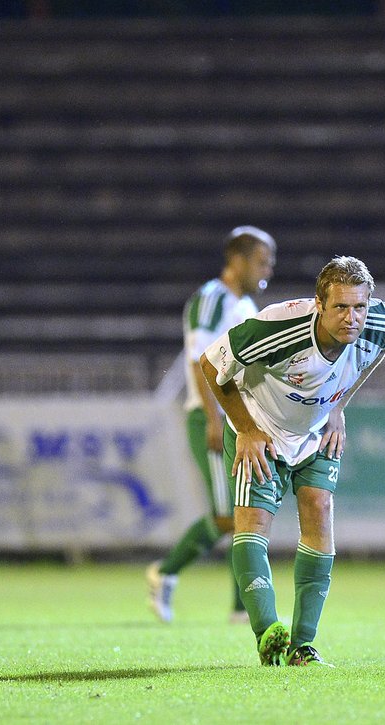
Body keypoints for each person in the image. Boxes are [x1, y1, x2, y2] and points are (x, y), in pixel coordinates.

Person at [199, 255, 385, 666]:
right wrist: (247, 430)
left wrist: (339, 407)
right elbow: (210, 364)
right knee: (253, 524)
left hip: (314, 432)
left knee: (319, 509)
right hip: (260, 428)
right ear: (319, 304)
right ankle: (267, 631)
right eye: (341, 307)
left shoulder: (383, 326)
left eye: (359, 306)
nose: (352, 318)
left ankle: (303, 645)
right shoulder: (278, 329)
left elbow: (366, 363)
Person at [147, 226, 277, 624]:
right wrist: (213, 414)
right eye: (261, 260)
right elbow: (196, 358)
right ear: (237, 260)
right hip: (213, 416)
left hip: (242, 420)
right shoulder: (210, 299)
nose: (267, 268)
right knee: (226, 515)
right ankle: (165, 573)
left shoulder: (247, 305)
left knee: (243, 510)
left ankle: (241, 609)